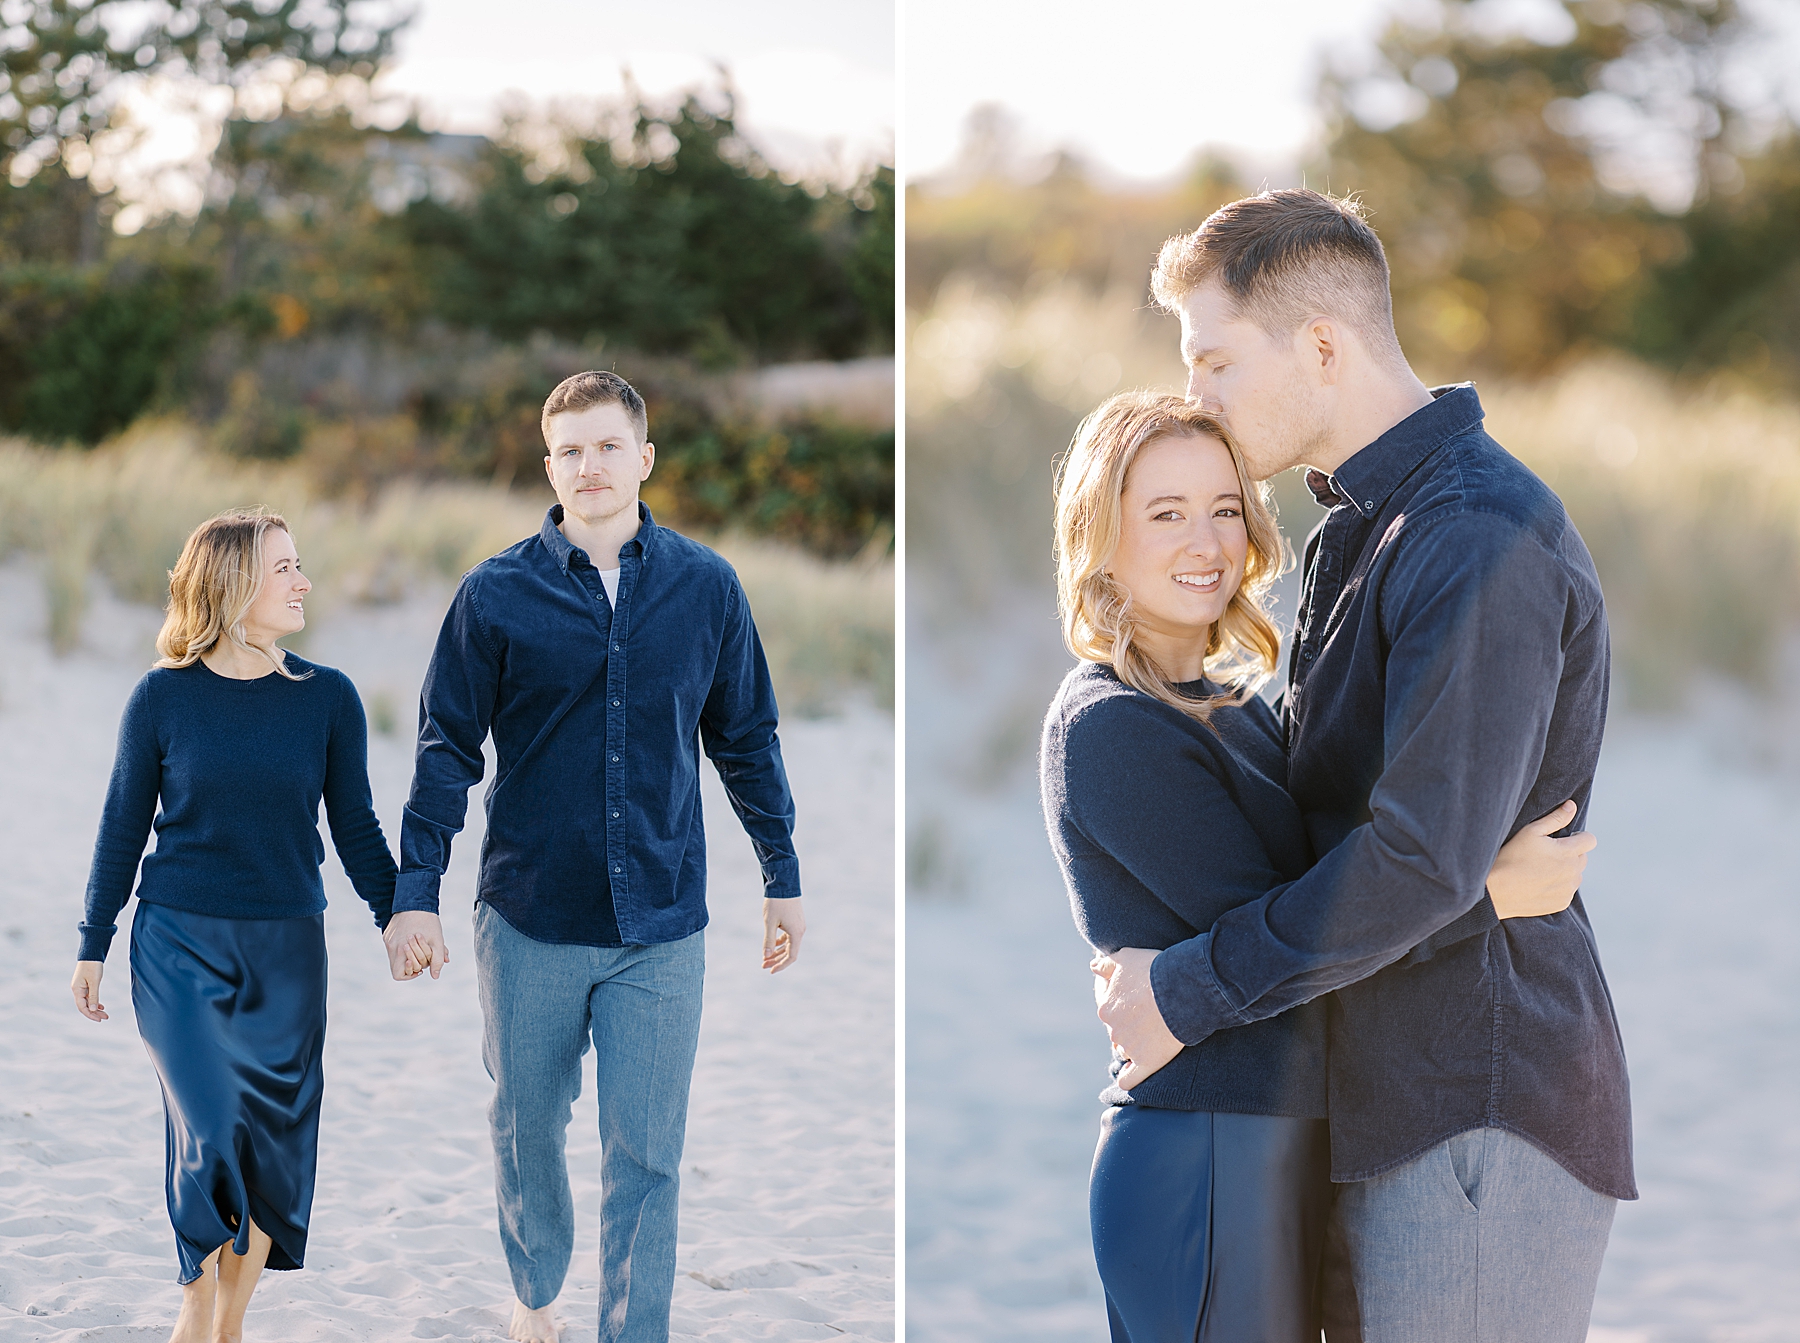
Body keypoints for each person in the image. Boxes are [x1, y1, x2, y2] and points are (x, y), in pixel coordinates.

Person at [1092, 189, 1631, 1342]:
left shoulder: (1476, 533)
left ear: (1322, 344)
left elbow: (1415, 856)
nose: (1201, 397)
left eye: (1217, 360)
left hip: (1474, 1105)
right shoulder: (1363, 525)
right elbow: (1359, 835)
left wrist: (1186, 990)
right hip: (1376, 1094)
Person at [382, 369, 807, 1343]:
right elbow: (446, 743)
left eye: (609, 445)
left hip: (663, 922)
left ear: (645, 458)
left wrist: (781, 874)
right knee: (529, 1127)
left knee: (647, 1155)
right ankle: (537, 1290)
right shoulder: (494, 594)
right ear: (548, 466)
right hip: (531, 913)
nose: (591, 465)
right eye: (571, 449)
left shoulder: (707, 587)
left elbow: (746, 738)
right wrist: (418, 891)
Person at [70, 508, 413, 1343]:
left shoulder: (328, 698)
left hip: (288, 946)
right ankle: (195, 1298)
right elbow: (123, 825)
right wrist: (93, 941)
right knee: (212, 1121)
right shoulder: (161, 696)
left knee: (270, 1148)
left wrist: (399, 912)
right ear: (230, 584)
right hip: (177, 943)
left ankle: (226, 1327)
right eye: (284, 567)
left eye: (301, 564)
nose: (302, 581)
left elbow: (356, 827)